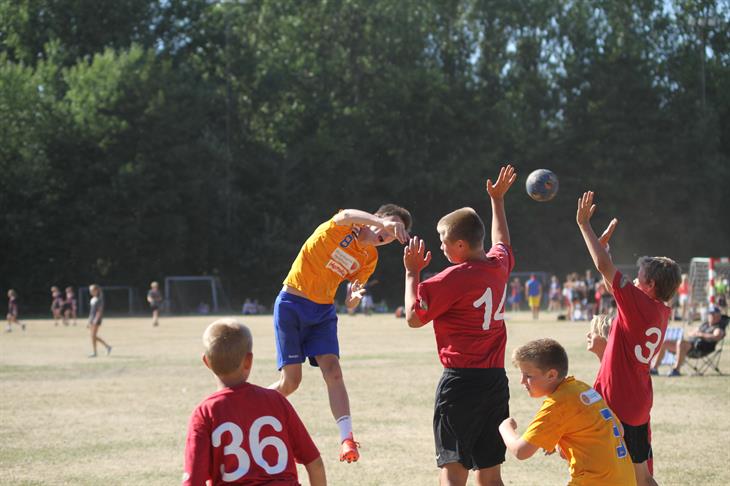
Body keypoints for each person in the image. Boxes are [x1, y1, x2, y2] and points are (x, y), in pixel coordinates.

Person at [269, 204, 411, 463]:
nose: (387, 234)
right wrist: (384, 223)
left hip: (323, 312)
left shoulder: (370, 257)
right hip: (292, 303)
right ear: (376, 218)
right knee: (291, 382)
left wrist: (353, 299)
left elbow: (350, 300)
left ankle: (347, 440)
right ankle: (249, 402)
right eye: (389, 225)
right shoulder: (348, 224)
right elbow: (345, 215)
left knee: (333, 371)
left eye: (393, 235)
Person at [402, 165, 516, 486]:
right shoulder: (498, 266)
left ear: (462, 245)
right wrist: (497, 201)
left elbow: (413, 318)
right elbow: (502, 241)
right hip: (495, 382)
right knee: (490, 473)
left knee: (454, 471)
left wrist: (412, 273)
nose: (441, 247)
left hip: (461, 384)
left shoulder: (450, 279)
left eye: (444, 241)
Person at [576, 191, 681, 486]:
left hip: (620, 401)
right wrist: (604, 249)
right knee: (641, 477)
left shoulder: (640, 305)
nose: (634, 278)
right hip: (637, 399)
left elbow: (604, 269)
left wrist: (584, 226)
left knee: (611, 473)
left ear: (650, 285)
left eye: (639, 275)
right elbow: (611, 282)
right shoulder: (658, 310)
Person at [183, 318, 326, 486]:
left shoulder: (205, 412)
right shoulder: (276, 401)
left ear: (206, 362)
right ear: (248, 360)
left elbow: (193, 481)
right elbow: (315, 463)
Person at [499, 339, 636, 486]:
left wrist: (504, 427)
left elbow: (521, 451)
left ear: (551, 375)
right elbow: (619, 430)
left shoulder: (558, 403)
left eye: (528, 376)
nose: (522, 381)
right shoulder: (582, 388)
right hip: (625, 479)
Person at [651, 305, 728, 376]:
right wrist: (695, 333)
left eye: (713, 314)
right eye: (710, 314)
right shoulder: (705, 325)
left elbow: (716, 336)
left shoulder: (718, 327)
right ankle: (654, 369)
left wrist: (701, 334)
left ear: (718, 316)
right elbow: (690, 332)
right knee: (665, 343)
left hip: (700, 348)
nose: (710, 316)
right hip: (690, 345)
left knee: (681, 343)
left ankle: (676, 370)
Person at [88, 284, 112, 358]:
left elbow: (99, 311)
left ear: (96, 291)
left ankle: (95, 352)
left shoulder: (99, 299)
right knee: (93, 336)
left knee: (93, 336)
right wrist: (89, 320)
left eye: (92, 290)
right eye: (90, 291)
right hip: (92, 319)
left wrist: (96, 319)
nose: (90, 292)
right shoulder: (92, 299)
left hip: (96, 319)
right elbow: (91, 311)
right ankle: (107, 347)